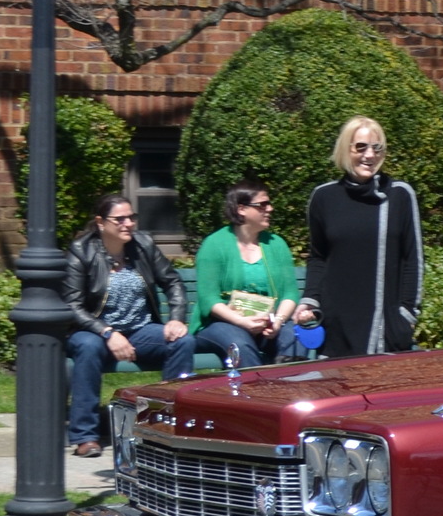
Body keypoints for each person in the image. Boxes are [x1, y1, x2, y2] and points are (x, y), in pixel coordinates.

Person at [62, 194, 194, 456]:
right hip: (91, 331)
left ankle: (166, 426)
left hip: (140, 330)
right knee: (88, 349)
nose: (128, 224)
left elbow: (172, 282)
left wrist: (176, 318)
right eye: (119, 219)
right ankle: (85, 436)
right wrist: (107, 332)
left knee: (183, 342)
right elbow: (72, 306)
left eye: (131, 217)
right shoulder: (81, 250)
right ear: (101, 222)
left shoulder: (143, 244)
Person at [302, 116, 424, 359]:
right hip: (337, 323)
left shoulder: (399, 195)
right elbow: (318, 257)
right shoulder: (324, 197)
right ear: (346, 149)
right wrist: (309, 301)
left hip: (385, 326)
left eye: (376, 148)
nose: (369, 155)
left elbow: (413, 259)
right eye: (361, 147)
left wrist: (407, 314)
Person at [192, 183, 307, 369]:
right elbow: (208, 299)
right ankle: (255, 393)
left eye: (269, 204)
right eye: (262, 205)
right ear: (242, 209)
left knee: (295, 334)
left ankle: (288, 389)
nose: (270, 208)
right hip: (221, 323)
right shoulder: (214, 245)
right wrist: (242, 321)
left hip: (268, 322)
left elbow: (290, 294)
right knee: (240, 341)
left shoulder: (276, 244)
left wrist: (277, 321)